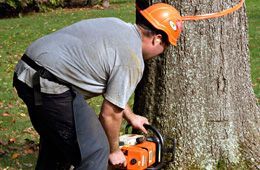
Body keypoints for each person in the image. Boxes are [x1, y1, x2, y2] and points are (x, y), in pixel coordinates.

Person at [13, 3, 182, 170]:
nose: (162, 52)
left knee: (58, 145)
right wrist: (114, 151)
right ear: (157, 38)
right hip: (50, 84)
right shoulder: (132, 59)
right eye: (165, 46)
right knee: (97, 151)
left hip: (27, 73)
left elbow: (113, 91)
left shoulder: (116, 25)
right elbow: (109, 115)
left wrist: (131, 117)